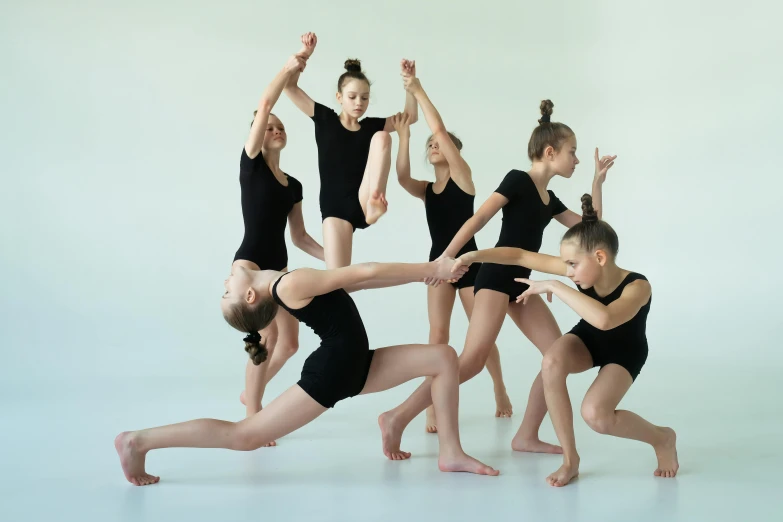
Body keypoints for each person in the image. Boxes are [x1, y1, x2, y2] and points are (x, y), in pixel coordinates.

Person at [114, 258, 500, 486]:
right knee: (244, 435)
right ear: (250, 296)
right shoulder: (291, 283)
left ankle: (448, 451)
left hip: (357, 364)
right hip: (334, 370)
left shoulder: (286, 282)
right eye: (226, 290)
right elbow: (364, 271)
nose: (226, 281)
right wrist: (431, 268)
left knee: (443, 357)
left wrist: (427, 275)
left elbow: (364, 282)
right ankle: (139, 441)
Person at [378, 100, 616, 459]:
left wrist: (597, 181)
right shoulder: (517, 180)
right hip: (494, 276)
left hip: (521, 282)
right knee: (471, 362)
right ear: (550, 153)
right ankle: (396, 416)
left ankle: (526, 436)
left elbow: (592, 228)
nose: (577, 160)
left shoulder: (549, 199)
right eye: (573, 153)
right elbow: (477, 221)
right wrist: (447, 258)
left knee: (557, 356)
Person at [452, 194, 679, 486]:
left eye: (572, 264)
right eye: (565, 265)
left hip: (625, 352)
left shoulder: (638, 286)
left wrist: (555, 286)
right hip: (588, 339)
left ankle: (662, 438)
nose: (568, 271)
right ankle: (571, 460)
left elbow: (606, 319)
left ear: (599, 257)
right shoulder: (582, 270)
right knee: (551, 362)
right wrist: (472, 257)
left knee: (597, 415)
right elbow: (520, 256)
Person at [391, 73, 512, 432]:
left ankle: (499, 388)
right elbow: (400, 177)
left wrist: (417, 90)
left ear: (454, 152)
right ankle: (431, 406)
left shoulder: (464, 179)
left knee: (480, 336)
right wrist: (405, 136)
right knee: (437, 334)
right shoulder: (428, 190)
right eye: (429, 144)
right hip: (438, 265)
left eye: (438, 143)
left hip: (471, 263)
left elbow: (441, 131)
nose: (434, 145)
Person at [232, 53, 324, 424]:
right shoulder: (250, 164)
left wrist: (335, 256)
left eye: (280, 127)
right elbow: (266, 102)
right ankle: (253, 416)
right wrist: (291, 68)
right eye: (269, 127)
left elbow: (300, 237)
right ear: (257, 135)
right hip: (252, 267)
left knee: (289, 342)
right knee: (268, 339)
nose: (276, 130)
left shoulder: (294, 185)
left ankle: (249, 393)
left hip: (280, 268)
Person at [284, 32, 418, 268]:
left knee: (382, 137)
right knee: (338, 279)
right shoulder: (325, 118)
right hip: (335, 208)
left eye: (365, 98)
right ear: (339, 97)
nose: (359, 103)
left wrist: (410, 84)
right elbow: (289, 87)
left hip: (364, 200)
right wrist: (305, 54)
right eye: (353, 97)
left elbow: (409, 118)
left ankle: (375, 201)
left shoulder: (371, 126)